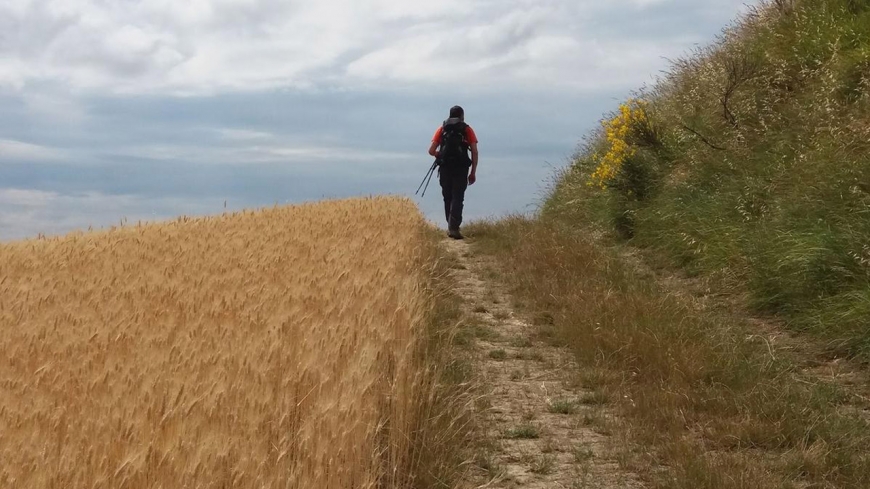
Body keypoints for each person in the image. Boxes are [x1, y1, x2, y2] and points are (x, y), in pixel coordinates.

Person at [428, 105, 478, 240]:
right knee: (458, 197)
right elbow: (474, 151)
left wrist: (441, 155)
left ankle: (450, 225)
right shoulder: (467, 129)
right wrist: (473, 172)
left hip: (445, 167)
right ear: (462, 116)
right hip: (461, 168)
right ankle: (454, 227)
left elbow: (431, 150)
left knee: (447, 196)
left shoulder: (442, 129)